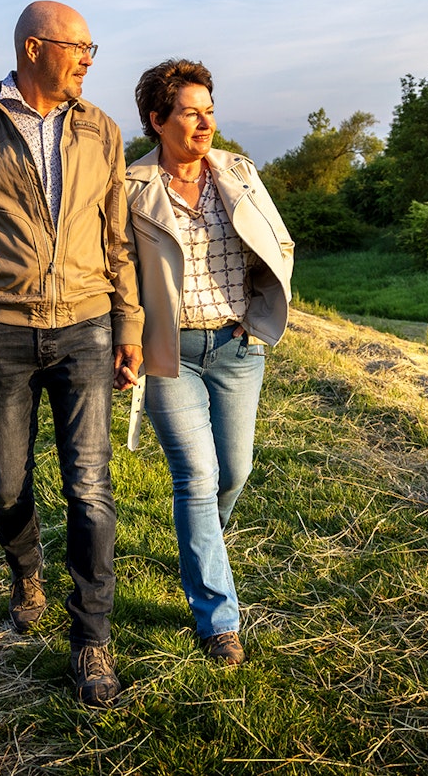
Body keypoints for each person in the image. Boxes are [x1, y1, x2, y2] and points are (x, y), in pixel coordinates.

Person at [0, 0, 143, 706]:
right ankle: (25, 573)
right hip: (2, 331)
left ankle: (92, 640)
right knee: (8, 483)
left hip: (87, 327)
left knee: (90, 487)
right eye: (80, 46)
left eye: (91, 48)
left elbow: (118, 238)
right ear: (36, 47)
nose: (89, 59)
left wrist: (128, 325)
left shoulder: (100, 128)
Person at [124, 58, 293, 665]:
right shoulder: (130, 189)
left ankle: (201, 545)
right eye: (190, 112)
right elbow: (119, 273)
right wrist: (129, 338)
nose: (205, 123)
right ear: (156, 120)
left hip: (238, 346)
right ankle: (219, 619)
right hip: (172, 354)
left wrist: (260, 313)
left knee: (235, 472)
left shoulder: (239, 173)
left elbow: (278, 240)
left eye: (209, 110)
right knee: (195, 478)